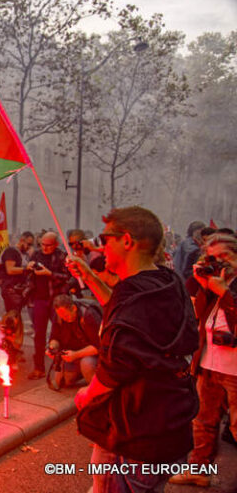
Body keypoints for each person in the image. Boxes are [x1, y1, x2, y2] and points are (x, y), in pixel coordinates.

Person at [66, 206, 199, 493]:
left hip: (135, 438)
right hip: (171, 427)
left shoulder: (134, 298)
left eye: (105, 239)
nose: (101, 248)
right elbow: (123, 310)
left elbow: (116, 367)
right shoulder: (166, 282)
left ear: (126, 240)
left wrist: (86, 395)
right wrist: (89, 276)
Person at [169, 234, 237, 487]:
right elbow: (197, 316)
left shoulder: (229, 285)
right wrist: (202, 283)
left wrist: (225, 292)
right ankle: (198, 470)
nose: (219, 263)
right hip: (210, 362)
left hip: (235, 370)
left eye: (224, 257)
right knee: (203, 422)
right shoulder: (215, 282)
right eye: (212, 258)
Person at [26, 231, 69, 380]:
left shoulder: (61, 256)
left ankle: (62, 368)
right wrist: (30, 267)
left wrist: (49, 274)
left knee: (60, 333)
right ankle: (39, 368)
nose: (45, 248)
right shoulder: (36, 255)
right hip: (39, 299)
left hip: (56, 300)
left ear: (55, 244)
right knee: (39, 335)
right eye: (42, 245)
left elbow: (68, 278)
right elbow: (28, 275)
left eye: (48, 246)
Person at [48, 294, 101, 388]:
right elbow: (54, 338)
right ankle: (82, 373)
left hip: (92, 354)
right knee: (62, 382)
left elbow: (98, 346)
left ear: (74, 308)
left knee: (86, 364)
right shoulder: (59, 317)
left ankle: (96, 388)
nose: (64, 319)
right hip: (73, 353)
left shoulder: (88, 315)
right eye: (61, 316)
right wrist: (52, 347)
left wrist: (76, 354)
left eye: (66, 315)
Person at [0, 231, 35, 314]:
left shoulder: (24, 254)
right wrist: (26, 269)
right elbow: (10, 270)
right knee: (12, 315)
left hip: (19, 289)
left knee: (17, 316)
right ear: (21, 240)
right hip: (11, 289)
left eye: (31, 245)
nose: (29, 247)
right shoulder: (11, 251)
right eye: (28, 244)